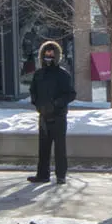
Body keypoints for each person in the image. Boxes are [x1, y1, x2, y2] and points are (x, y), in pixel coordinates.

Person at [27, 41, 77, 183]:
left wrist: (56, 104)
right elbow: (33, 91)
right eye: (46, 53)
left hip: (58, 116)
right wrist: (37, 104)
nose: (49, 55)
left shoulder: (63, 75)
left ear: (56, 55)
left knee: (60, 148)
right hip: (43, 116)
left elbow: (71, 94)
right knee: (43, 148)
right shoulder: (38, 74)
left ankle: (61, 175)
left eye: (51, 53)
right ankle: (42, 175)